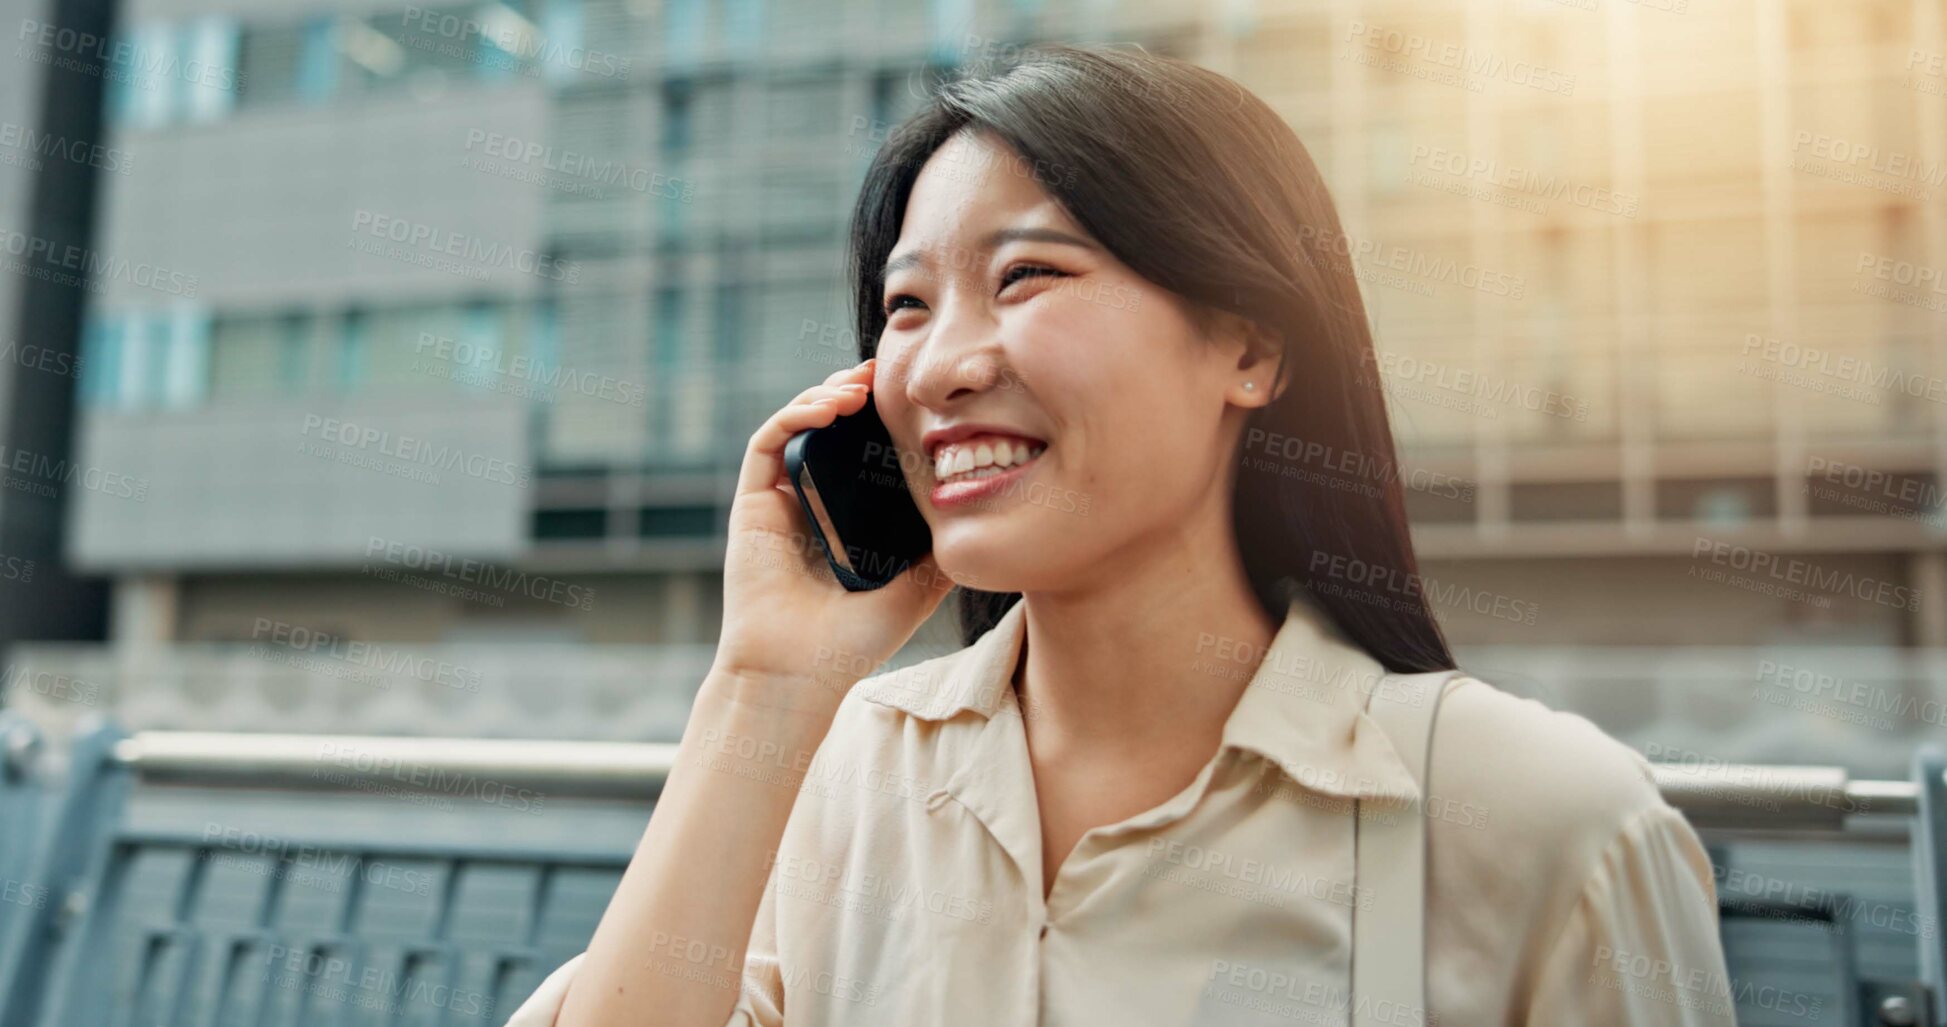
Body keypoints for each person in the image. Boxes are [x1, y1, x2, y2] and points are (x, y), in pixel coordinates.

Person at [510, 43, 1734, 1026]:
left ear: (1250, 348)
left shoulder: (1544, 820)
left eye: (1029, 276)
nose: (940, 366)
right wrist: (762, 691)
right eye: (905, 305)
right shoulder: (850, 776)